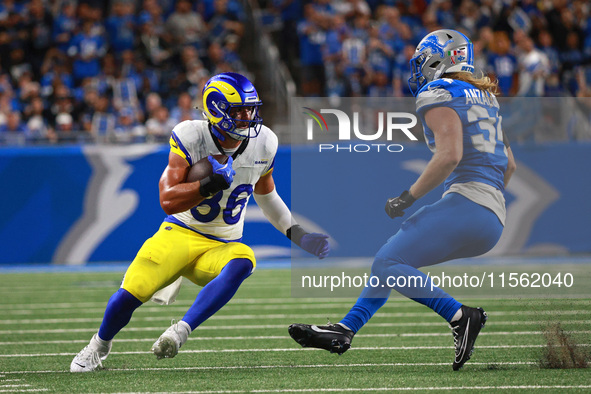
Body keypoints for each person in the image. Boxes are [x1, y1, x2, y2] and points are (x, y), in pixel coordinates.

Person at [70, 72, 330, 372]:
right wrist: (207, 184)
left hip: (221, 245)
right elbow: (167, 199)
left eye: (251, 109)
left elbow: (266, 194)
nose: (248, 117)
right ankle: (97, 346)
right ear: (217, 109)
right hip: (180, 232)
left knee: (245, 260)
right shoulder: (190, 136)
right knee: (131, 293)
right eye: (239, 111)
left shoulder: (265, 142)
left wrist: (299, 235)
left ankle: (180, 331)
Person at [289, 29, 517, 371]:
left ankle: (460, 316)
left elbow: (449, 156)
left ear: (445, 58)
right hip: (493, 216)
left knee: (388, 261)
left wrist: (406, 198)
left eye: (424, 60)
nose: (420, 69)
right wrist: (485, 198)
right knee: (392, 262)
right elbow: (509, 165)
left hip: (469, 204)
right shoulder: (486, 96)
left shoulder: (439, 92)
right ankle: (346, 329)